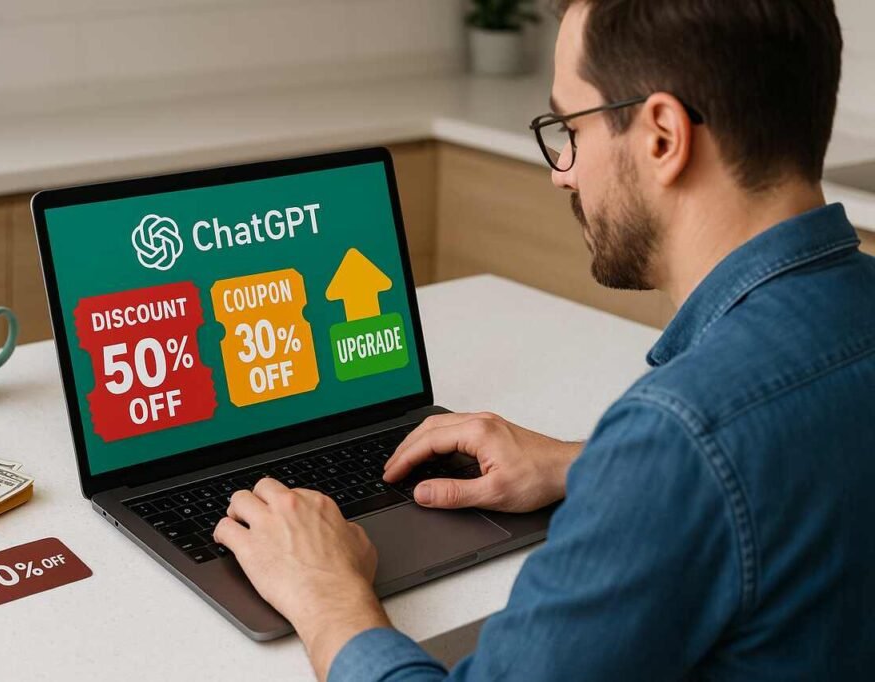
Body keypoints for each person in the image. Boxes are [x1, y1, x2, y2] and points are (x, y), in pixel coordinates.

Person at [214, 0, 875, 679]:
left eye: (571, 129)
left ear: (662, 138)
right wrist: (585, 464)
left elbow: (712, 451)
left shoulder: (680, 438)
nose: (562, 169)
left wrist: (326, 593)